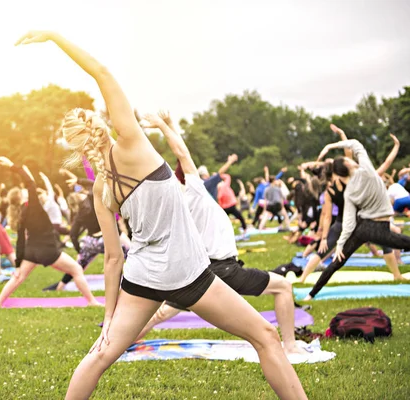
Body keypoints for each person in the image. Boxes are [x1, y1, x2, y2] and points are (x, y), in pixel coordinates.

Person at [15, 30, 306, 399]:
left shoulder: (100, 188)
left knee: (100, 355)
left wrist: (109, 317)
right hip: (185, 272)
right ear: (99, 124)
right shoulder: (132, 142)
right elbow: (101, 72)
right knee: (265, 337)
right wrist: (56, 37)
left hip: (143, 277)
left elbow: (112, 259)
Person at [139, 111, 305, 356]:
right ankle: (290, 346)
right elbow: (182, 154)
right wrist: (163, 125)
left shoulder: (176, 201)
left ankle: (113, 346)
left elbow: (182, 154)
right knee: (282, 287)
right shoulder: (194, 192)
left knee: (161, 313)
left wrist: (172, 124)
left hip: (199, 272)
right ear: (189, 178)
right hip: (223, 270)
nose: (205, 177)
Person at [304, 138, 410, 300]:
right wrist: (330, 145)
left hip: (363, 229)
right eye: (347, 159)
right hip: (379, 229)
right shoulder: (366, 170)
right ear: (346, 166)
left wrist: (340, 245)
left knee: (336, 263)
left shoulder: (349, 192)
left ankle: (311, 295)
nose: (350, 159)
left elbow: (349, 221)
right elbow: (355, 144)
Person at [0, 158, 101, 307]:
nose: (27, 190)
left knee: (18, 278)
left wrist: (18, 265)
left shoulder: (21, 213)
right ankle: (91, 301)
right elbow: (30, 182)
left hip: (31, 251)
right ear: (23, 197)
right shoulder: (33, 205)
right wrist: (13, 166)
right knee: (76, 269)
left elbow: (20, 241)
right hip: (48, 251)